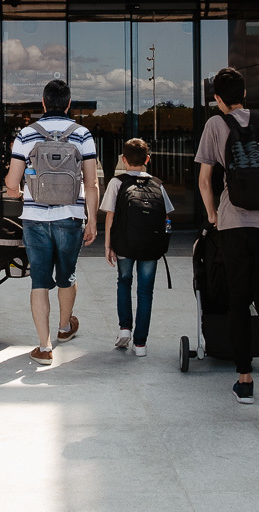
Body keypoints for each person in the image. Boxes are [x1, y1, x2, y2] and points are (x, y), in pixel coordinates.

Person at [194, 67, 259, 419]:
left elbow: (206, 180)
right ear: (245, 94)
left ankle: (245, 379)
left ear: (218, 98)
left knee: (238, 299)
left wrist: (212, 216)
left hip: (234, 222)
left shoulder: (215, 126)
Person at [5, 79, 99, 367]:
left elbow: (11, 181)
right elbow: (92, 183)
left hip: (34, 219)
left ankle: (44, 347)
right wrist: (92, 220)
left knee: (39, 281)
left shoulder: (26, 134)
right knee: (67, 276)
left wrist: (18, 191)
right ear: (69, 104)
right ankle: (64, 327)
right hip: (70, 217)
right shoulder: (82, 134)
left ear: (43, 103)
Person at [101, 138, 173, 357]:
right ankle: (140, 344)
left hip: (124, 244)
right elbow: (167, 217)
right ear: (147, 160)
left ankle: (125, 329)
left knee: (124, 282)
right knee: (145, 292)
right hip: (151, 247)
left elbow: (110, 216)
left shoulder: (117, 182)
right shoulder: (158, 184)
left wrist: (108, 245)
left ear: (123, 160)